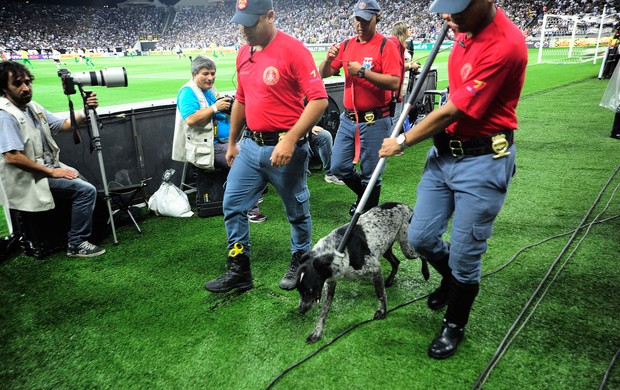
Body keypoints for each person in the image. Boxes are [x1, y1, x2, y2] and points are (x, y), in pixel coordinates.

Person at [379, 0, 527, 360]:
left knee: (465, 253)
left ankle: (455, 322)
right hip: (444, 155)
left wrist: (402, 140)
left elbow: (453, 110)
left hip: (482, 161)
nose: (447, 17)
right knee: (421, 236)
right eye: (445, 8)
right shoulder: (461, 26)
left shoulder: (505, 45)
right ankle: (451, 278)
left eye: (457, 9)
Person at [204, 0, 328, 293]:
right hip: (249, 146)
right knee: (232, 206)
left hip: (285, 149)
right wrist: (233, 142)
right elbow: (242, 100)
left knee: (297, 212)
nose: (243, 29)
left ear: (270, 17)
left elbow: (319, 99)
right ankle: (239, 268)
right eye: (241, 23)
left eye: (250, 23)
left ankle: (301, 259)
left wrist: (290, 138)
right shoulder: (243, 54)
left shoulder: (294, 49)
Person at [0, 61, 106, 258]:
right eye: (18, 84)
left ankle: (77, 234)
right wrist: (52, 172)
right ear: (4, 88)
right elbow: (13, 157)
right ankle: (76, 243)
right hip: (28, 176)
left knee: (80, 180)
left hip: (45, 169)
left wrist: (84, 110)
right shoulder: (5, 115)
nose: (25, 88)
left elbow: (64, 125)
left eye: (28, 82)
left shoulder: (32, 107)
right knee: (86, 191)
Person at [319, 0, 402, 215]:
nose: (360, 24)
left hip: (376, 118)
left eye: (365, 20)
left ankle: (367, 213)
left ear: (377, 18)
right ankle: (365, 202)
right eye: (357, 19)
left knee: (371, 172)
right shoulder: (346, 45)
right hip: (349, 118)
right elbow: (324, 73)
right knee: (338, 166)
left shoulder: (386, 45)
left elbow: (394, 82)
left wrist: (362, 72)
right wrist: (328, 59)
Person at [172, 55, 267, 222]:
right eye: (205, 74)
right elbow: (191, 119)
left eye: (213, 73)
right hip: (209, 147)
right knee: (245, 164)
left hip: (226, 142)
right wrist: (216, 107)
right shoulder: (187, 91)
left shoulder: (210, 90)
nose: (210, 78)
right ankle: (250, 209)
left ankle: (249, 194)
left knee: (258, 152)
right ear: (194, 74)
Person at [390, 21, 421, 121]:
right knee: (396, 118)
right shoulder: (395, 46)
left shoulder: (403, 46)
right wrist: (411, 66)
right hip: (397, 88)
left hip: (404, 86)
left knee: (400, 116)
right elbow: (397, 67)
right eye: (407, 28)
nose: (409, 30)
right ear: (402, 30)